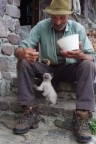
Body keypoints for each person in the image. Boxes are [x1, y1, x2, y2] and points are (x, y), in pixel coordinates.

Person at [13, 0, 96, 143]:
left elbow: (92, 57)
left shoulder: (78, 28)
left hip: (71, 69)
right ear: (50, 15)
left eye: (62, 17)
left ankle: (82, 116)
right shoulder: (41, 26)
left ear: (68, 16)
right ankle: (28, 111)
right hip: (48, 69)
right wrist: (23, 53)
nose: (57, 21)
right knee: (24, 62)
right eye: (54, 17)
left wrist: (80, 55)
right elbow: (20, 48)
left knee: (88, 65)